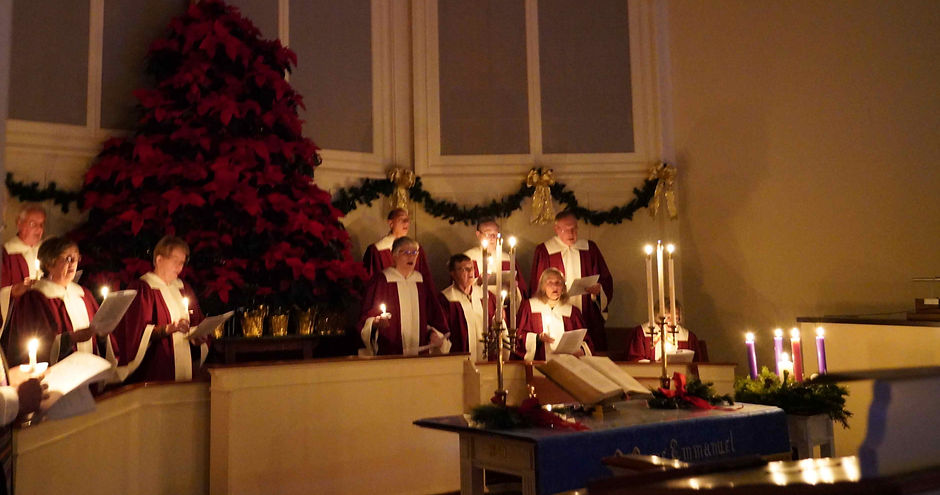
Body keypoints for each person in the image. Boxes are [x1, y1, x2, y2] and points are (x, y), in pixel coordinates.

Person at [2, 237, 116, 366]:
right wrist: (70, 339)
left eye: (76, 258)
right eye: (68, 258)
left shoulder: (84, 294)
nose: (73, 263)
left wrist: (102, 334)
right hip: (59, 373)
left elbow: (101, 334)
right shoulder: (35, 298)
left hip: (90, 370)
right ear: (49, 264)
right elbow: (32, 344)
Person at [113, 236, 208, 382]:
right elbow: (135, 333)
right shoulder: (144, 288)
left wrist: (198, 337)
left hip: (184, 366)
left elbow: (197, 323)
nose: (179, 267)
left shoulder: (183, 288)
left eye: (182, 263)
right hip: (155, 367)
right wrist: (168, 329)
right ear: (159, 260)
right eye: (175, 261)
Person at [529, 211, 613, 352]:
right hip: (557, 317)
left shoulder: (589, 249)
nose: (571, 233)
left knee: (588, 352)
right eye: (566, 230)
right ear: (556, 229)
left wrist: (598, 291)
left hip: (587, 315)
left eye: (574, 229)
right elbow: (537, 286)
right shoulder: (545, 251)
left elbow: (605, 280)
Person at [359, 237, 451, 356]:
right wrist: (375, 323)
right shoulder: (382, 281)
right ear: (394, 255)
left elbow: (434, 317)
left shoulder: (421, 282)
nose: (411, 257)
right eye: (406, 252)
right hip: (390, 354)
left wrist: (433, 333)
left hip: (420, 353)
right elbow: (366, 318)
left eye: (414, 253)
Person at [515, 268, 592, 361]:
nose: (555, 287)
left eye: (558, 283)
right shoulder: (529, 307)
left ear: (563, 287)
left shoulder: (572, 312)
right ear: (542, 286)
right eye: (550, 283)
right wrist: (538, 338)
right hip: (539, 363)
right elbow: (518, 337)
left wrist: (581, 350)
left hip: (567, 364)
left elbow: (585, 340)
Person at [439, 254, 500, 362]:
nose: (470, 271)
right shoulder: (446, 299)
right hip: (459, 361)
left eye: (471, 268)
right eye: (464, 269)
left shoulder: (486, 296)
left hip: (486, 360)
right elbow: (442, 335)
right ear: (453, 273)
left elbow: (497, 326)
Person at [461, 217, 527, 311]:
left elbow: (520, 290)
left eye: (495, 234)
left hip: (503, 306)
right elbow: (459, 287)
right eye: (488, 234)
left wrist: (513, 288)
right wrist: (478, 282)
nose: (492, 237)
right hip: (478, 307)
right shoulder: (468, 258)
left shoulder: (507, 258)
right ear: (478, 235)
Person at [362, 208, 437, 292]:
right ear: (391, 223)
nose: (406, 222)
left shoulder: (417, 248)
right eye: (401, 219)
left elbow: (426, 281)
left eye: (407, 219)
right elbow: (370, 282)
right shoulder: (377, 250)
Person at [1, 204, 45, 325]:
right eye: (33, 224)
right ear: (19, 223)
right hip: (17, 318)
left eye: (41, 224)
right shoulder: (6, 253)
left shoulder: (45, 251)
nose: (39, 230)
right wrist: (14, 290)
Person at [625, 299, 702, 362]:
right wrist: (657, 364)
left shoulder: (688, 337)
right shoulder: (641, 333)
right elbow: (635, 360)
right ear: (658, 317)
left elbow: (697, 364)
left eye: (676, 318)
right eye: (668, 318)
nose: (672, 322)